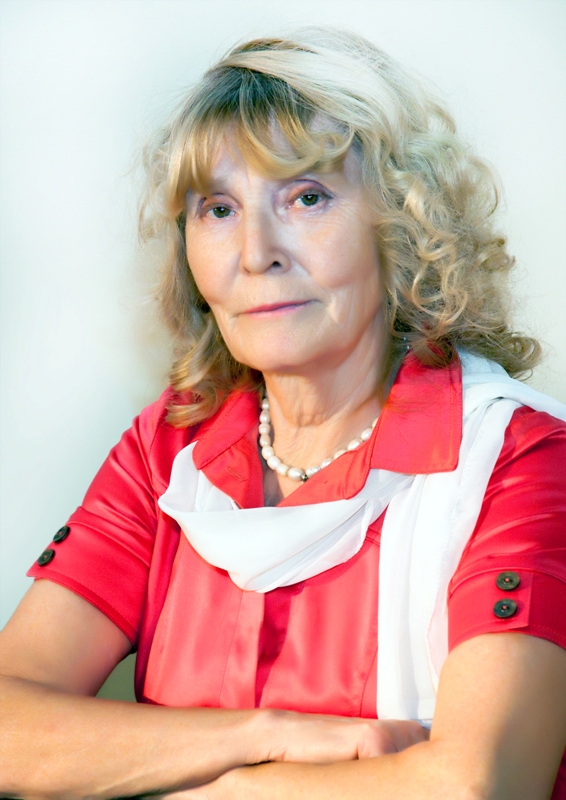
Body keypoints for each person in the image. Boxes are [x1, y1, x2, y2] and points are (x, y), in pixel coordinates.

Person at [0, 26, 565, 800]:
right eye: (218, 209)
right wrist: (268, 736)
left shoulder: (519, 457)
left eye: (306, 197)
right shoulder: (167, 448)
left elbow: (480, 784)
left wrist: (209, 787)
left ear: (400, 225)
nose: (254, 252)